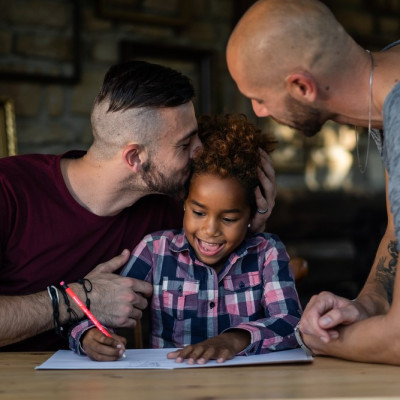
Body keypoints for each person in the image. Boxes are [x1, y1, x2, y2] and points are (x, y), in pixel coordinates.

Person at [0, 61, 274, 351]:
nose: (200, 150)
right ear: (134, 158)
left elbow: (222, 305)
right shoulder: (9, 189)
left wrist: (248, 232)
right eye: (185, 144)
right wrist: (77, 299)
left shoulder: (167, 215)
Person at [226, 0, 400, 365]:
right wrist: (366, 305)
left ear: (303, 87)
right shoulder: (389, 77)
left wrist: (312, 339)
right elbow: (396, 233)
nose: (258, 111)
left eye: (259, 97)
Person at [69, 113, 302, 363]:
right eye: (199, 212)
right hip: (171, 384)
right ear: (184, 202)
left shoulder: (267, 252)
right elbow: (97, 312)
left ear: (253, 211)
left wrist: (233, 340)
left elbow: (289, 322)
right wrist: (89, 336)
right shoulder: (156, 251)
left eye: (229, 219)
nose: (210, 229)